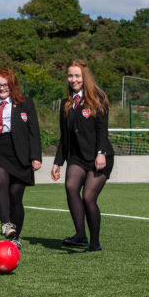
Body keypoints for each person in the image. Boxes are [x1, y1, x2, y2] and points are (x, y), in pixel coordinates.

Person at [51, 59, 114, 252]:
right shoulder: (66, 104)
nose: (73, 79)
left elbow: (103, 130)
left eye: (77, 75)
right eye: (70, 75)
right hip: (77, 157)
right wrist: (58, 162)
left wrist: (101, 153)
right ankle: (80, 235)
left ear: (84, 77)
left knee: (88, 197)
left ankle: (94, 243)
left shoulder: (98, 98)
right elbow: (64, 137)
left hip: (99, 157)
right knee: (70, 186)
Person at [0, 68, 42, 250]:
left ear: (12, 85)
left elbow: (34, 131)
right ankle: (6, 223)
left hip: (20, 154)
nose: (1, 88)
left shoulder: (26, 104)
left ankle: (15, 237)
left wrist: (35, 156)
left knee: (15, 196)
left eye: (5, 84)